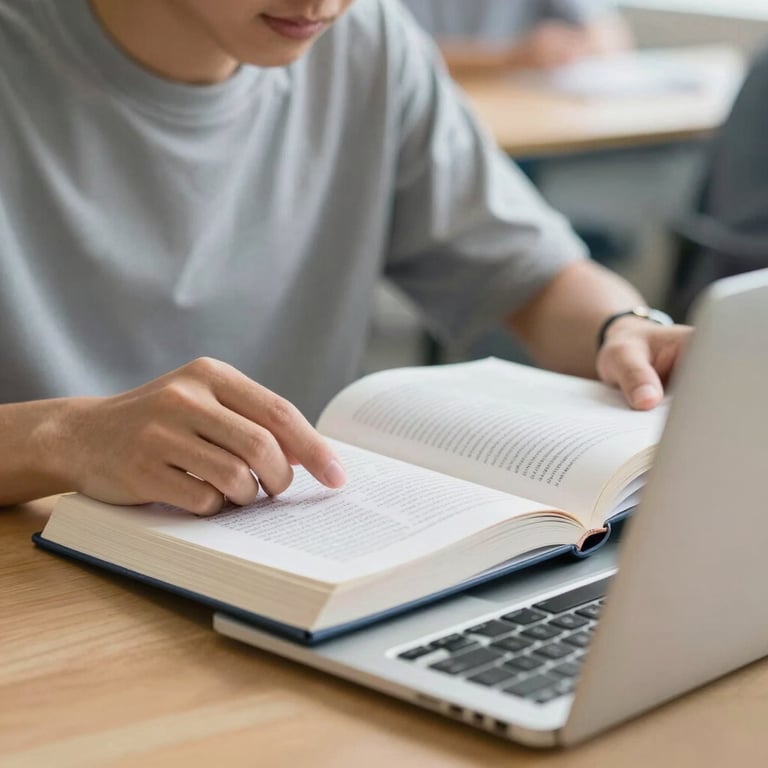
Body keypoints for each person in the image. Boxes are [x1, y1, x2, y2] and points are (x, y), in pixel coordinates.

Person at [0, 0, 688, 517]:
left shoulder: (368, 43)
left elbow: (533, 274)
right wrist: (63, 438)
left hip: (291, 552)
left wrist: (624, 328)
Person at [403, 0, 632, 74]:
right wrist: (511, 57)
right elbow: (402, 57)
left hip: (532, 120)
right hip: (446, 113)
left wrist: (568, 49)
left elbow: (611, 36)